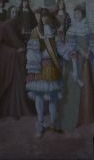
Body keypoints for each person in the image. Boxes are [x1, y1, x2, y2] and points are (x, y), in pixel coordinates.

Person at [59, 3, 94, 132]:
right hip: (74, 60)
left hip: (85, 61)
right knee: (72, 85)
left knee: (87, 84)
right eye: (76, 13)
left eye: (80, 13)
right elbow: (68, 44)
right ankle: (72, 115)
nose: (77, 15)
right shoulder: (71, 29)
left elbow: (93, 43)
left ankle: (87, 115)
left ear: (83, 14)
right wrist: (73, 51)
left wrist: (89, 51)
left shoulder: (87, 28)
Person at [0, 5, 33, 119]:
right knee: (12, 82)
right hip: (8, 60)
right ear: (9, 13)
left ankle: (18, 109)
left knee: (19, 82)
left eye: (16, 12)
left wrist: (23, 48)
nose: (14, 14)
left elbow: (20, 42)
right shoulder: (4, 26)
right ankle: (10, 110)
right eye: (12, 11)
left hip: (17, 59)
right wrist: (13, 51)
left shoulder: (17, 26)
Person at [26, 8, 65, 137]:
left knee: (53, 96)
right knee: (39, 96)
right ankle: (41, 122)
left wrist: (69, 52)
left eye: (46, 17)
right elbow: (32, 53)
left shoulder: (54, 33)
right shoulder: (35, 32)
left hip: (52, 68)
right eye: (42, 17)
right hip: (40, 68)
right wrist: (36, 65)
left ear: (49, 18)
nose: (44, 19)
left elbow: (59, 49)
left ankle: (54, 122)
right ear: (40, 19)